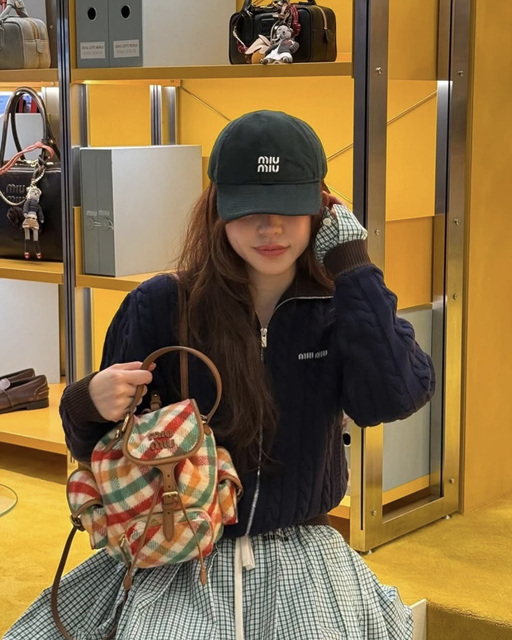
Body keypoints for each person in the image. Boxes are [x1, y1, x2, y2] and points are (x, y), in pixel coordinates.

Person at [4, 110, 435, 640]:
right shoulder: (162, 305)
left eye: (289, 208)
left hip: (303, 559)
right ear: (218, 209)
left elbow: (394, 397)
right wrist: (86, 402)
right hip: (178, 554)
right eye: (249, 209)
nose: (270, 228)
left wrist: (354, 267)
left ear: (322, 210)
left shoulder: (339, 308)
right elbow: (100, 451)